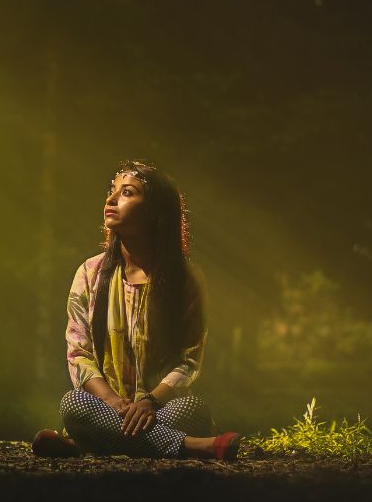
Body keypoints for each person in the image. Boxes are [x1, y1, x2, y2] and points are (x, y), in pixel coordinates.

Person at [32, 160, 242, 461]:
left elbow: (189, 359)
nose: (111, 199)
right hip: (105, 404)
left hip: (163, 408)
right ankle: (194, 446)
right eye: (111, 191)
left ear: (156, 212)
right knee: (74, 403)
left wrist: (149, 403)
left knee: (191, 410)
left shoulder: (185, 278)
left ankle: (84, 445)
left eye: (127, 192)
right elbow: (79, 354)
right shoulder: (90, 273)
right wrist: (116, 403)